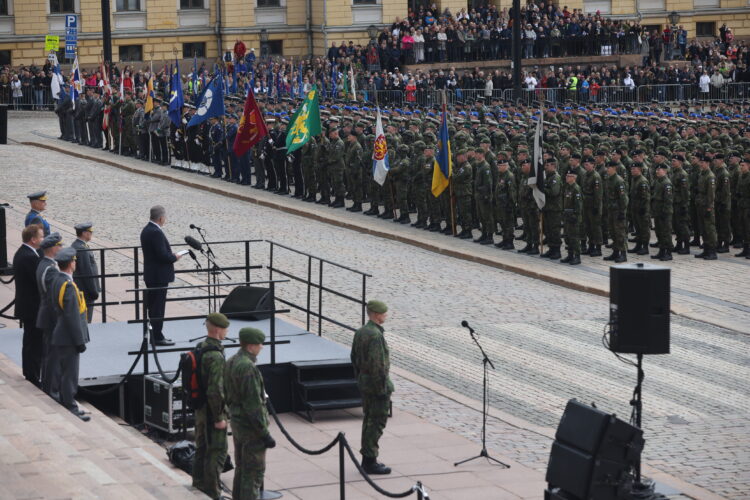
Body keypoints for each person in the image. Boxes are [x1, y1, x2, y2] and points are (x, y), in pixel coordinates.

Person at [225, 327, 276, 500]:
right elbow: (253, 405)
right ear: (250, 346)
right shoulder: (248, 368)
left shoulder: (231, 361)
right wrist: (264, 434)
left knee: (242, 469)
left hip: (238, 423)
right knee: (253, 473)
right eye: (259, 344)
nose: (261, 347)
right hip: (251, 428)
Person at [48, 247, 90, 421]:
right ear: (71, 264)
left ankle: (65, 401)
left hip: (61, 333)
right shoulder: (68, 286)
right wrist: (79, 340)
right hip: (68, 337)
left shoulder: (58, 280)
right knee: (70, 374)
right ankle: (70, 405)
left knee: (64, 371)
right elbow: (72, 316)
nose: (75, 263)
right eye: (74, 261)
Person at [350, 300, 393, 475]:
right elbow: (378, 366)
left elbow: (353, 357)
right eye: (384, 313)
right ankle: (370, 461)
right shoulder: (375, 335)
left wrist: (361, 377)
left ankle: (368, 458)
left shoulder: (361, 332)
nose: (386, 315)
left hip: (365, 382)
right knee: (376, 422)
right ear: (376, 315)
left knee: (369, 421)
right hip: (376, 386)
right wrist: (382, 389)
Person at [192, 313, 230, 500]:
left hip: (200, 407)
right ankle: (213, 492)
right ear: (217, 329)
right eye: (225, 329)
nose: (226, 332)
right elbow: (216, 390)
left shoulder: (201, 347)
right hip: (211, 410)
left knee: (201, 447)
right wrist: (219, 417)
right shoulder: (215, 355)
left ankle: (198, 483)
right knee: (217, 451)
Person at [140, 206, 182, 346]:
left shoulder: (146, 230)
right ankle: (157, 336)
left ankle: (156, 333)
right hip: (158, 276)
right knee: (157, 308)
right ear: (161, 218)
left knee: (154, 306)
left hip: (152, 275)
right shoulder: (155, 232)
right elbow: (162, 255)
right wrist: (175, 257)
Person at [13, 224, 44, 386]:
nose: (43, 239)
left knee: (29, 340)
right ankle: (33, 374)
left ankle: (29, 371)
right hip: (32, 307)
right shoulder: (29, 257)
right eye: (41, 236)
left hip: (27, 305)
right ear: (33, 239)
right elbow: (38, 281)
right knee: (34, 342)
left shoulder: (22, 252)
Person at [35, 233, 63, 395]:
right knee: (53, 356)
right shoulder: (50, 269)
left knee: (49, 354)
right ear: (53, 248)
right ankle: (52, 391)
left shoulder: (44, 264)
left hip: (46, 316)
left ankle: (48, 387)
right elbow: (54, 297)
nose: (61, 248)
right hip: (52, 318)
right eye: (59, 246)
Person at [72, 223, 100, 323]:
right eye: (90, 232)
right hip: (86, 291)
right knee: (86, 321)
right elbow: (86, 272)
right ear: (84, 233)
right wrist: (94, 291)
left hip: (83, 289)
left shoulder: (81, 245)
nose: (91, 234)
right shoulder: (82, 249)